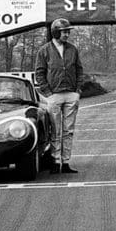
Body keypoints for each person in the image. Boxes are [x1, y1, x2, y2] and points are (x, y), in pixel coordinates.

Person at [35, 18, 85, 174]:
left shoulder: (73, 49)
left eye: (68, 31)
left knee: (68, 130)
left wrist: (77, 91)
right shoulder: (44, 51)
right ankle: (56, 162)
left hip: (71, 94)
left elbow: (79, 70)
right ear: (55, 32)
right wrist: (48, 93)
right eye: (64, 31)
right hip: (54, 95)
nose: (67, 34)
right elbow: (39, 73)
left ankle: (66, 161)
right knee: (55, 130)